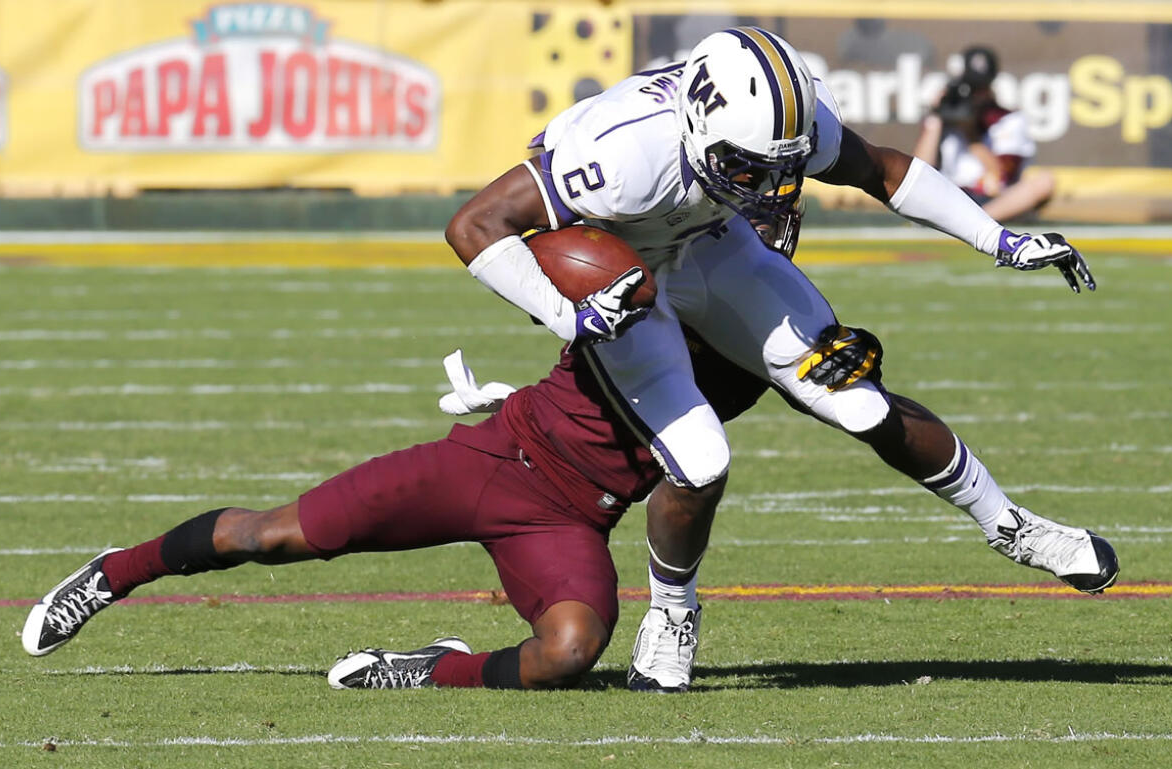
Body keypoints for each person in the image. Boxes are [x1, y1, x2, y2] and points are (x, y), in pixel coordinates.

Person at [444, 26, 1118, 694]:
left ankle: (1011, 524)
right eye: (750, 165)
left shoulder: (777, 123)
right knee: (700, 459)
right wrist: (572, 314)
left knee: (854, 394)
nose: (767, 183)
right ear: (700, 123)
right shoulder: (623, 154)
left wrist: (999, 239)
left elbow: (883, 170)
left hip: (711, 241)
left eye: (779, 167)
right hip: (623, 268)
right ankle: (673, 614)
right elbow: (475, 225)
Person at [21, 337, 769, 691]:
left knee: (570, 651)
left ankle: (429, 668)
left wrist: (841, 359)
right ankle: (111, 574)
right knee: (272, 535)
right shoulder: (651, 268)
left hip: (570, 519)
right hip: (494, 459)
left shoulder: (762, 339)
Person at [913, 45, 1055, 222]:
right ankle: (962, 224)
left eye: (982, 88)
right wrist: (936, 119)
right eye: (971, 88)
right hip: (949, 196)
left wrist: (971, 135)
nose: (978, 96)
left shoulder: (1008, 119)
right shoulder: (945, 119)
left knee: (1044, 182)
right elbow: (918, 172)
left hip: (990, 202)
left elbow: (1001, 179)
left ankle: (972, 224)